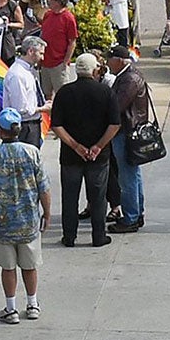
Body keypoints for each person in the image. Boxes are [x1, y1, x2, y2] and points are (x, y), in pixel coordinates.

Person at [0, 106, 52, 325]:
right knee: (30, 265)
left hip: (1, 223)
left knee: (7, 267)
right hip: (28, 221)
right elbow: (43, 188)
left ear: (0, 130)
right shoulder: (32, 153)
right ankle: (33, 304)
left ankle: (11, 309)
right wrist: (47, 213)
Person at [48, 52, 120, 249]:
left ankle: (69, 236)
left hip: (71, 156)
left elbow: (56, 125)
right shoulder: (106, 92)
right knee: (98, 198)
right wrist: (97, 146)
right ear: (95, 69)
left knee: (70, 197)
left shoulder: (64, 92)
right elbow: (114, 124)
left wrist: (76, 146)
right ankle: (98, 236)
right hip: (99, 156)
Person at [105, 44, 151, 235]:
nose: (107, 63)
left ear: (120, 61)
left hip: (126, 132)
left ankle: (131, 217)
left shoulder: (129, 79)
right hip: (129, 131)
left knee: (127, 177)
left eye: (110, 59)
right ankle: (136, 213)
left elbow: (117, 106)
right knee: (133, 174)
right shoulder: (127, 76)